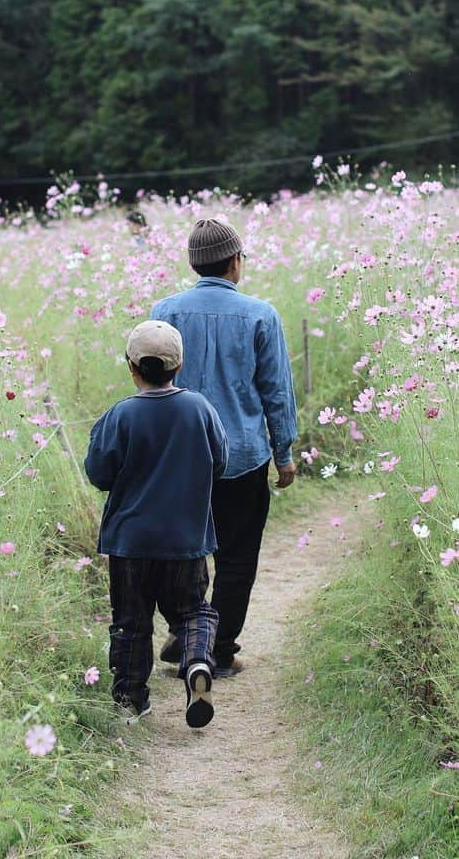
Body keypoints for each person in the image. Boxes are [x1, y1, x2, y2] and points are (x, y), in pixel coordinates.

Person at [151, 218, 297, 678]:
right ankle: (218, 649)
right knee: (236, 558)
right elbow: (276, 391)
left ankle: (185, 630)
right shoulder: (260, 315)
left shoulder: (166, 312)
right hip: (243, 458)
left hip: (181, 459)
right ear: (235, 261)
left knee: (181, 551)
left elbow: (152, 383)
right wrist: (284, 452)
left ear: (194, 263)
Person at [84, 319, 229, 727]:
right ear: (179, 365)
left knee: (131, 623)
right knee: (193, 612)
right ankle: (198, 661)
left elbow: (98, 473)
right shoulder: (199, 408)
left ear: (130, 367)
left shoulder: (121, 415)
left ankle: (131, 702)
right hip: (185, 540)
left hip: (129, 543)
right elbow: (221, 462)